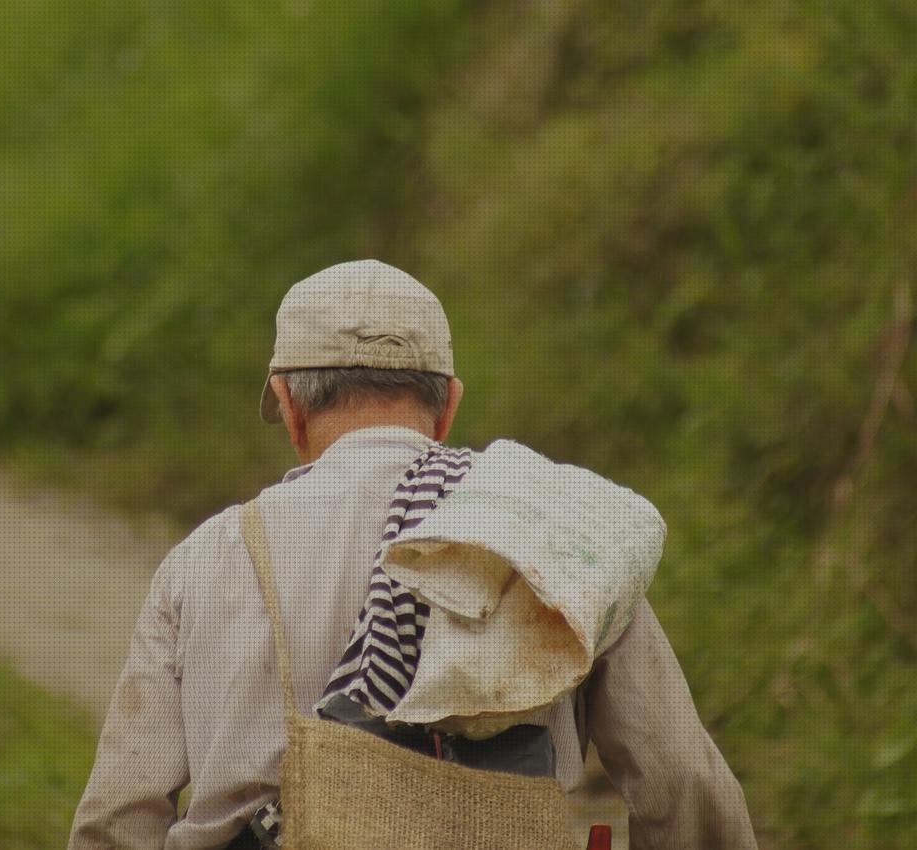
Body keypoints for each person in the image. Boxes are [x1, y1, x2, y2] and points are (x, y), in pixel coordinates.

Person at [68, 260, 758, 850]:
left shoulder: (205, 560)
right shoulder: (556, 541)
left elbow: (118, 818)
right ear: (449, 405)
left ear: (290, 404)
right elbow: (681, 781)